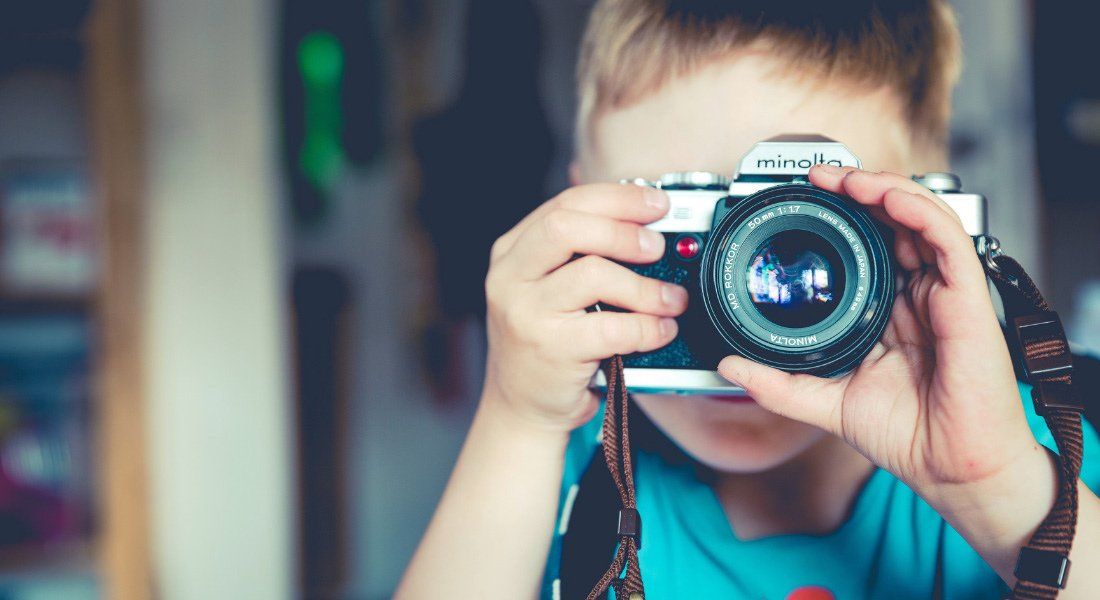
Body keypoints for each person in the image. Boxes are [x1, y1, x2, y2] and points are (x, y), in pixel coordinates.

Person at [396, 1, 1100, 598]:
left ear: (923, 218)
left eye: (808, 229)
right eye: (691, 227)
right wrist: (517, 419)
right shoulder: (566, 466)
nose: (741, 315)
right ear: (582, 216)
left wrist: (1003, 495)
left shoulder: (1026, 455)